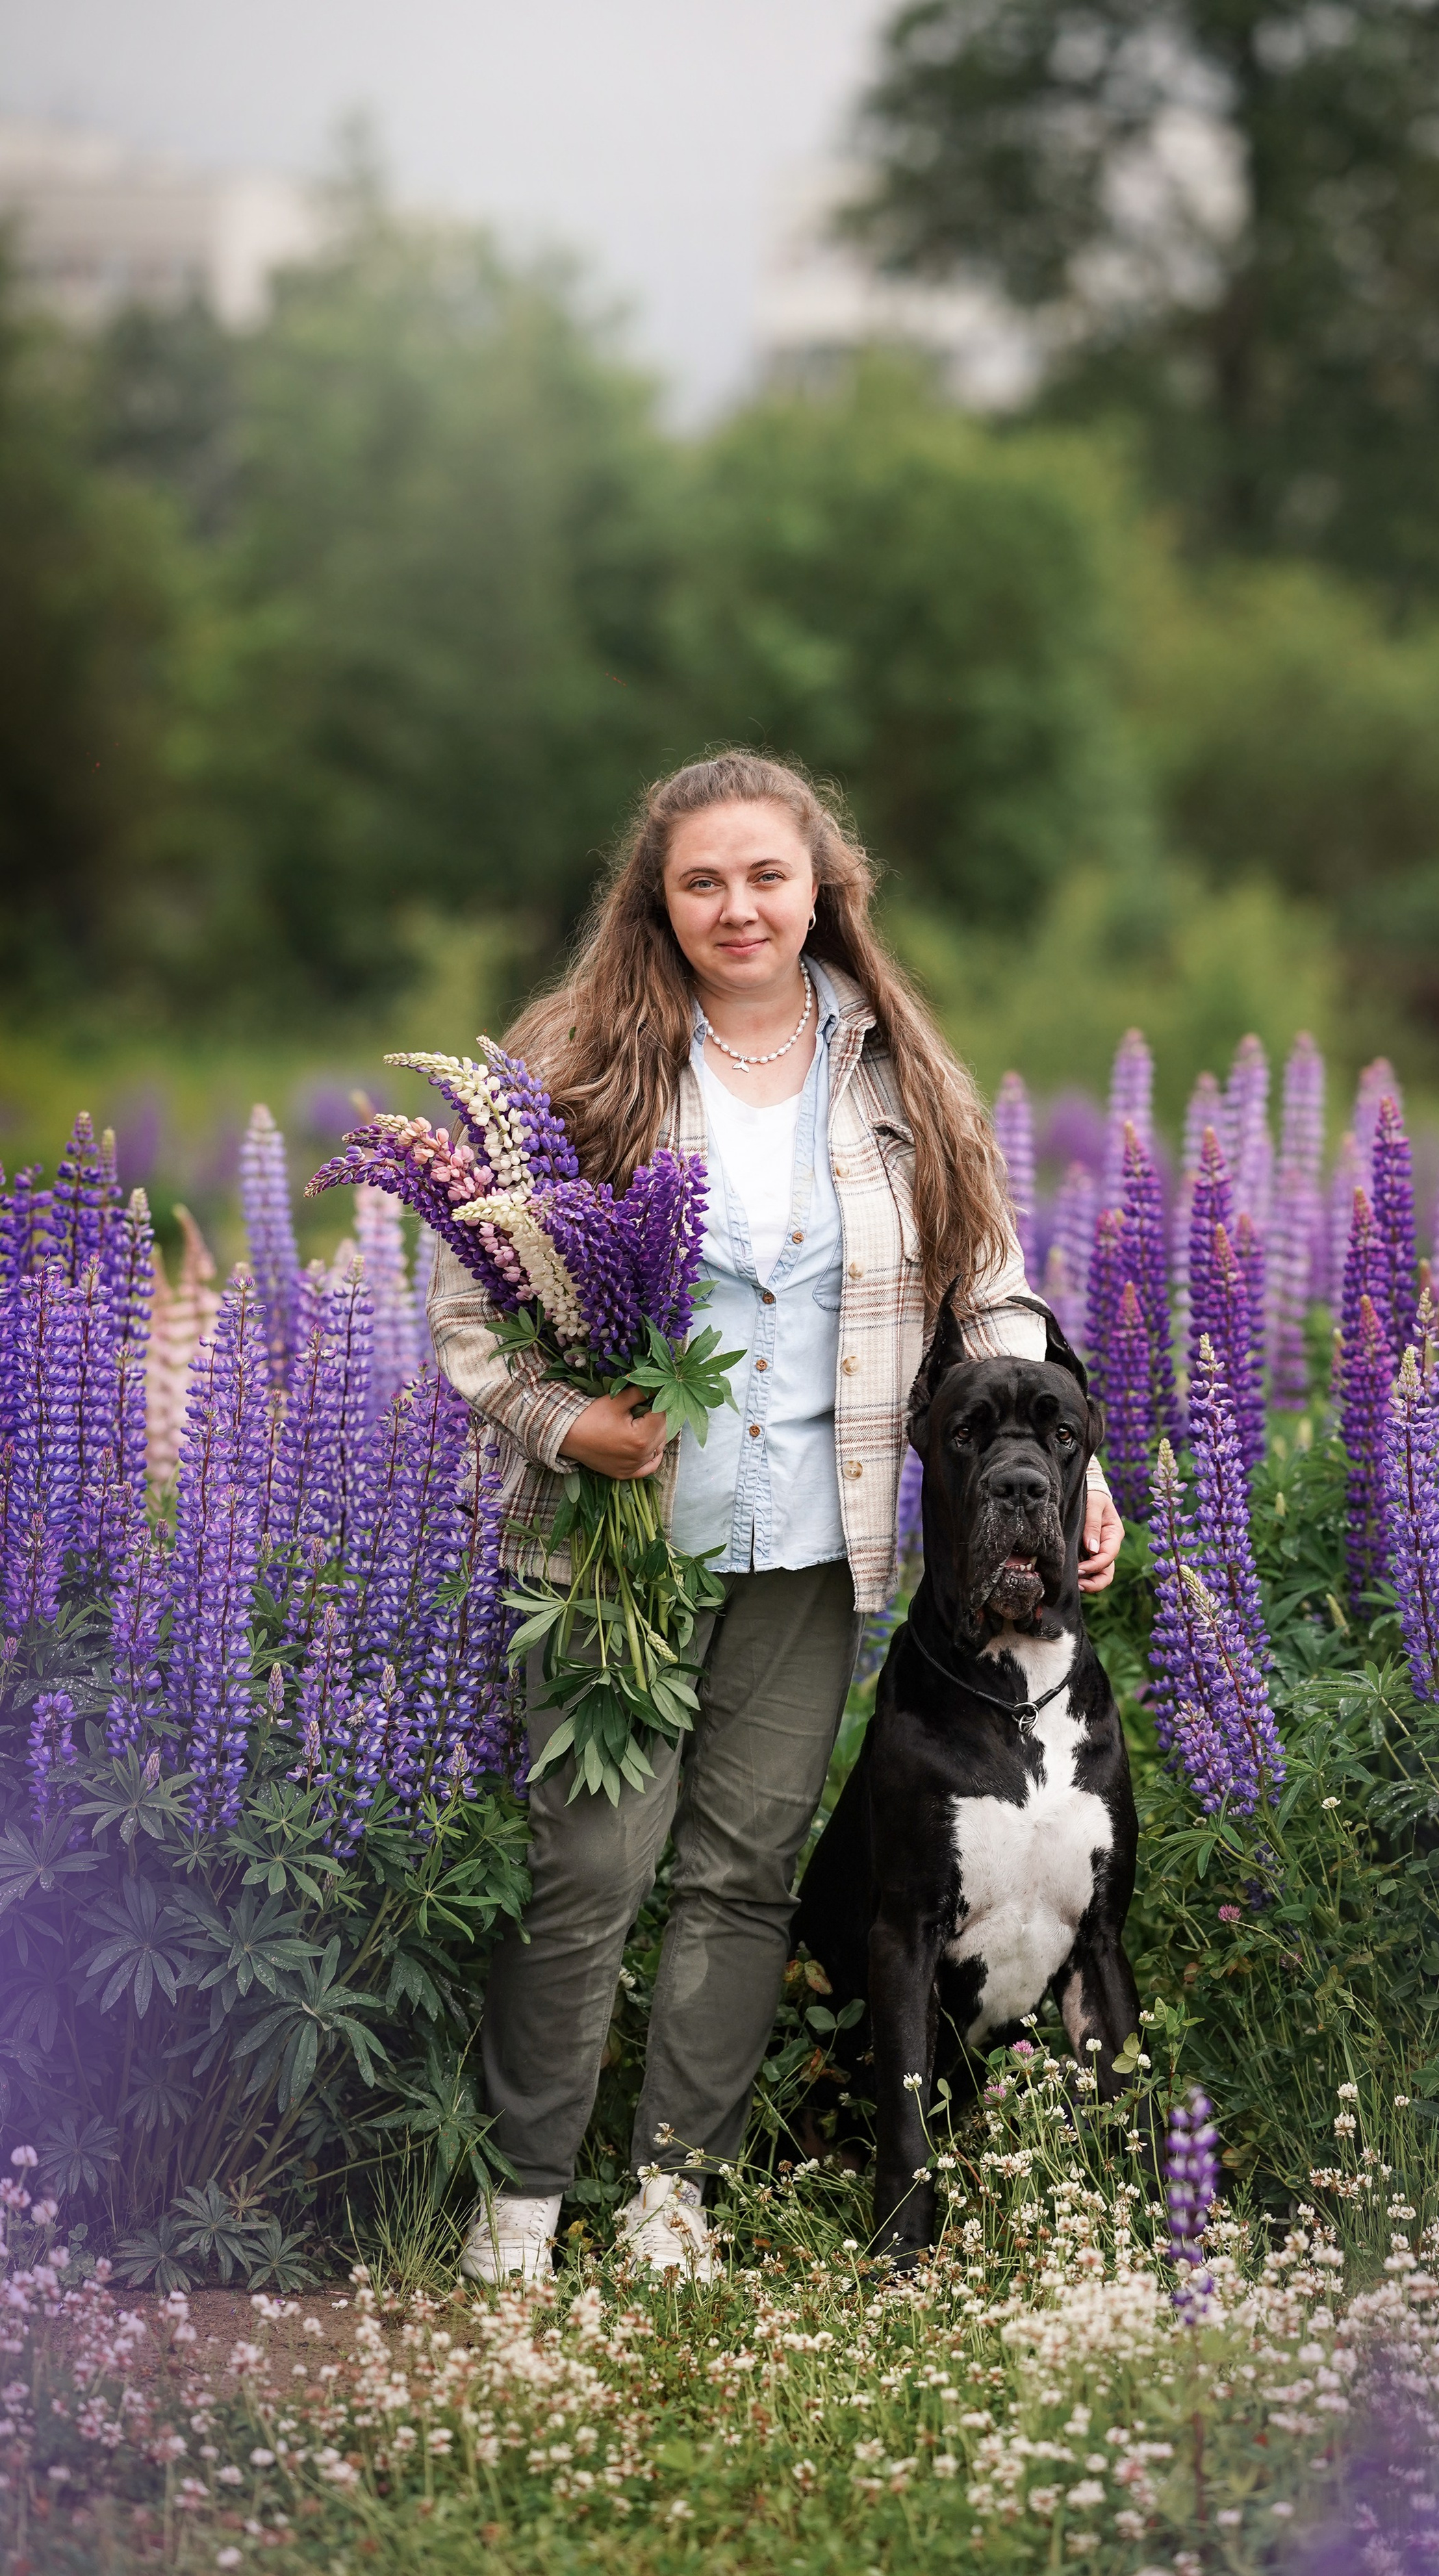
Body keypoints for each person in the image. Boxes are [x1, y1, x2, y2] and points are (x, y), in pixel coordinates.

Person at [429, 752, 1122, 2284]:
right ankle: (523, 2202)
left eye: (765, 876)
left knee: (742, 1874)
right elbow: (468, 1318)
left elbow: (987, 1290)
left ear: (822, 887)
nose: (737, 907)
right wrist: (572, 1425)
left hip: (815, 1539)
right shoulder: (577, 1064)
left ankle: (673, 2193)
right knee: (592, 1871)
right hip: (613, 1546)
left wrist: (1080, 1474)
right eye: (700, 881)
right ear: (656, 899)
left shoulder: (897, 1072)